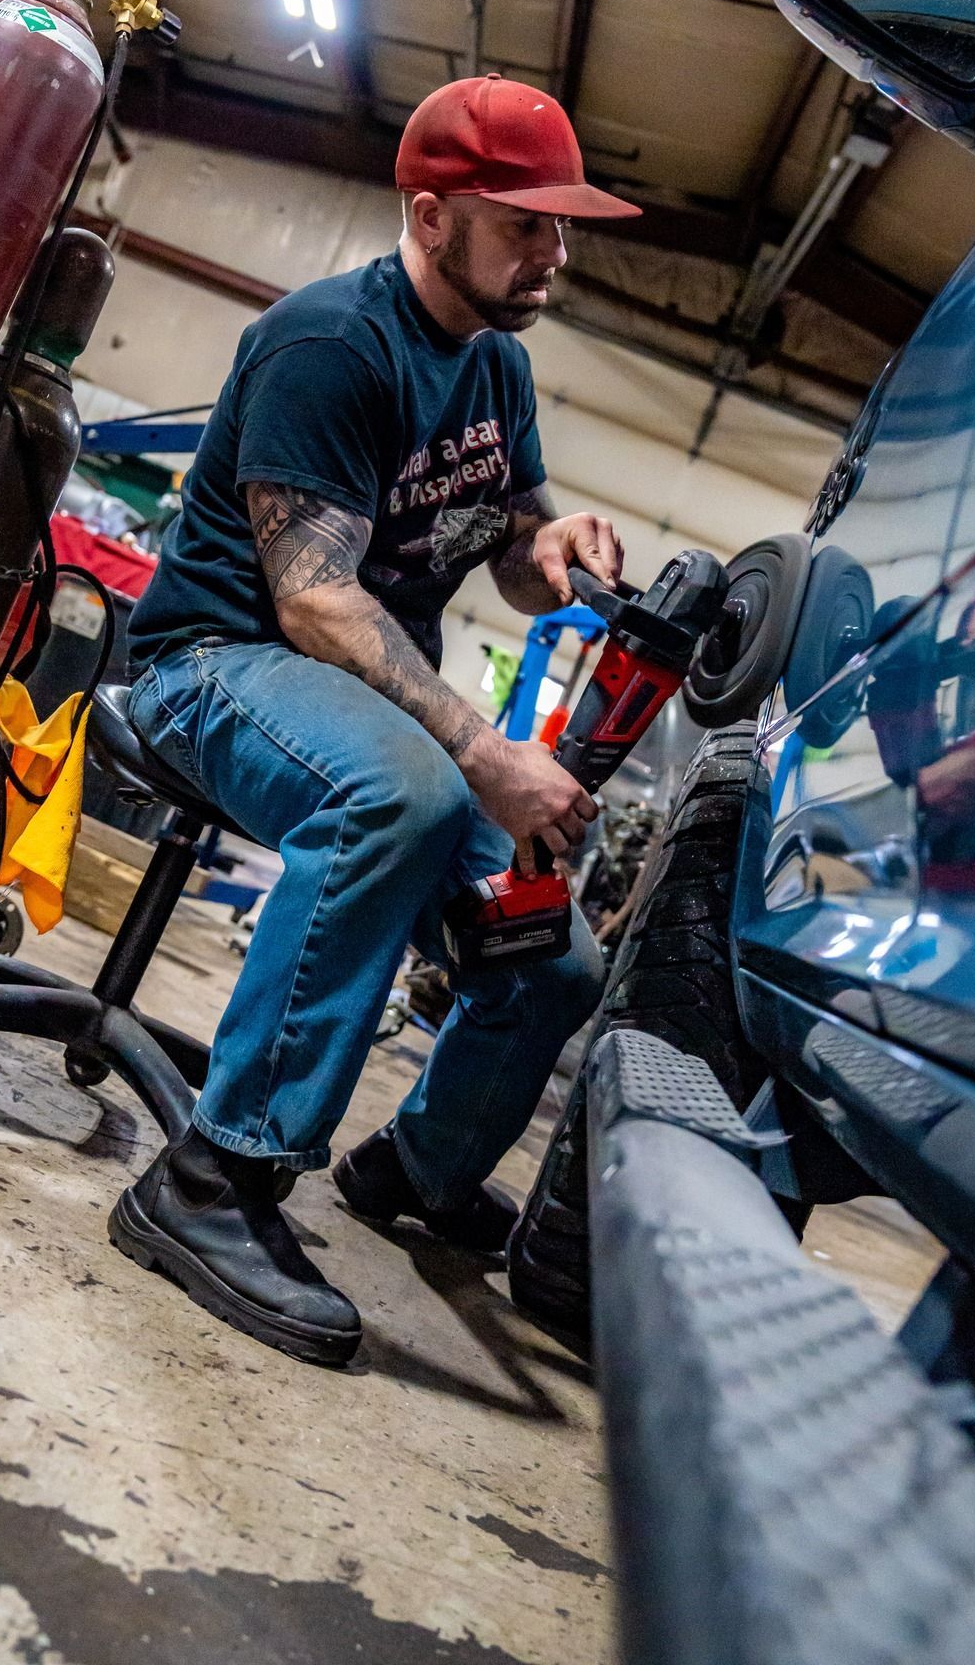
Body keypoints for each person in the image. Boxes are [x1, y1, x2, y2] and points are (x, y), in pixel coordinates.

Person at [116, 74, 640, 1366]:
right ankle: (209, 1180)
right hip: (220, 663)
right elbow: (310, 599)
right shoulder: (329, 345)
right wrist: (481, 750)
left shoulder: (495, 365)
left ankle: (410, 1171)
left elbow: (506, 550)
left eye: (559, 225)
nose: (553, 251)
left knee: (553, 958)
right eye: (524, 223)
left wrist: (551, 541)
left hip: (353, 694)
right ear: (429, 212)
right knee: (396, 799)